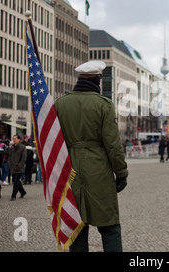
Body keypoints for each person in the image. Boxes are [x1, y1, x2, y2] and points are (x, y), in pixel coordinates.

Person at [54, 60, 129, 252]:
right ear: (98, 80)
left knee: (77, 227)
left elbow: (54, 142)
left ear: (79, 79)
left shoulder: (60, 104)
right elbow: (113, 145)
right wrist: (121, 173)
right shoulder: (103, 105)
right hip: (99, 173)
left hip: (70, 172)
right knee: (110, 227)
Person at [8, 135, 27, 201]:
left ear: (19, 139)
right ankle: (23, 192)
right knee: (15, 181)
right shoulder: (12, 147)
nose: (14, 140)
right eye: (13, 138)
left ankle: (13, 196)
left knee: (16, 181)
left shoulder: (22, 147)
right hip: (13, 167)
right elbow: (9, 156)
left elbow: (24, 158)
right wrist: (9, 163)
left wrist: (19, 165)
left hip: (19, 168)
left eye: (15, 138)